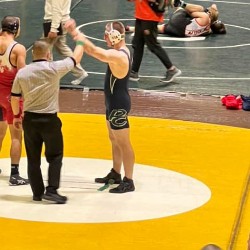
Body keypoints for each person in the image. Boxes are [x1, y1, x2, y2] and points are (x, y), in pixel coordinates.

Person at [10, 38, 85, 204]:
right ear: (49, 54)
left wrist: (16, 116)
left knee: (33, 158)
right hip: (49, 120)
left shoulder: (22, 72)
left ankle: (37, 193)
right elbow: (75, 59)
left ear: (32, 55)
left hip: (29, 120)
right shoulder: (54, 68)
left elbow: (14, 98)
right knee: (55, 156)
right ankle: (51, 190)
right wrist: (80, 42)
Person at [66, 19, 135, 193]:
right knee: (114, 140)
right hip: (112, 102)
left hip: (118, 104)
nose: (104, 37)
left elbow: (97, 53)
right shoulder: (119, 51)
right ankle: (116, 173)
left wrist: (76, 35)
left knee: (124, 143)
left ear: (114, 36)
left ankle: (129, 180)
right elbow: (98, 52)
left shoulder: (119, 56)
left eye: (106, 34)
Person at [0, 16, 29, 186]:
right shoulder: (18, 49)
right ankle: (15, 174)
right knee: (16, 136)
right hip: (11, 97)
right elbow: (22, 77)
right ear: (16, 29)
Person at [127, 0, 181, 83]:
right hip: (141, 14)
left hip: (149, 16)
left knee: (152, 44)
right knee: (137, 43)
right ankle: (134, 72)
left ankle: (172, 69)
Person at [43, 0, 88, 85]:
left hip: (54, 22)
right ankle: (80, 72)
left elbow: (57, 10)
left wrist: (53, 29)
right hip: (63, 21)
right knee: (62, 47)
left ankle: (49, 77)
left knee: (45, 49)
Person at [125, 2, 226, 37]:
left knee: (198, 8)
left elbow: (191, 12)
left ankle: (178, 3)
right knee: (158, 28)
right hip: (178, 32)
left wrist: (205, 10)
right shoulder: (208, 31)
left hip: (179, 22)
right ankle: (129, 29)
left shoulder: (205, 17)